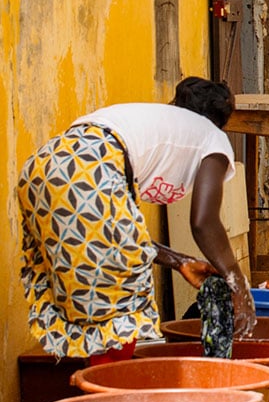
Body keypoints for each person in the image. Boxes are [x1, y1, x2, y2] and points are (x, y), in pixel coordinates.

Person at [17, 76, 256, 362]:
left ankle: (99, 388)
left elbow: (123, 237)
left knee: (94, 307)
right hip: (90, 168)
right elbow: (204, 222)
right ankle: (111, 393)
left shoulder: (145, 124)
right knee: (123, 305)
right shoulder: (212, 137)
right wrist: (238, 285)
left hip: (44, 167)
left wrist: (179, 261)